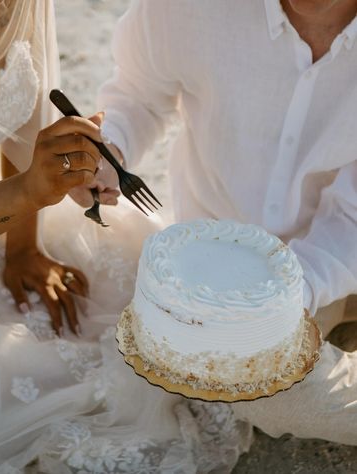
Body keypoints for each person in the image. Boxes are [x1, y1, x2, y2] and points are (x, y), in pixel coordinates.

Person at [0, 1, 252, 472]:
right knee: (15, 386)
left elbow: (23, 126)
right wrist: (27, 192)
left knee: (161, 309)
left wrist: (24, 246)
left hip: (5, 219)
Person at [86, 0, 357, 446]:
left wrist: (278, 303)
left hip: (330, 252)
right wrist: (110, 152)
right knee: (255, 390)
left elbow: (349, 222)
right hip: (219, 265)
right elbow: (137, 94)